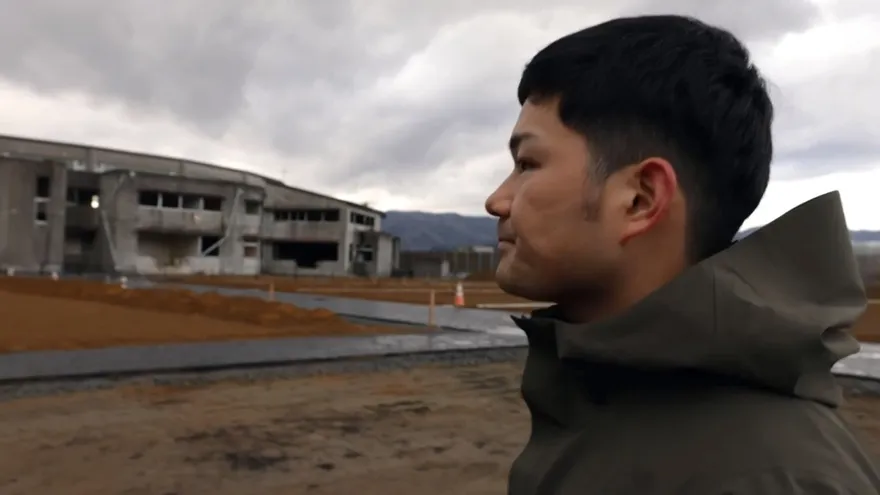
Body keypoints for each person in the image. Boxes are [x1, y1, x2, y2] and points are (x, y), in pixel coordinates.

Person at [485, 14, 880, 495]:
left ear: (640, 199)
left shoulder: (775, 475)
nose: (497, 201)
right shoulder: (600, 393)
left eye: (526, 163)